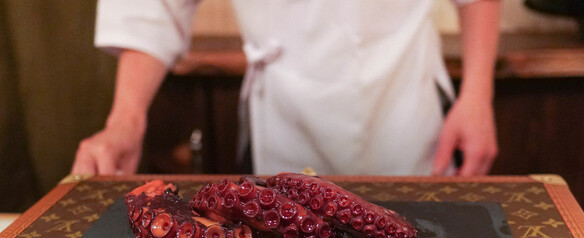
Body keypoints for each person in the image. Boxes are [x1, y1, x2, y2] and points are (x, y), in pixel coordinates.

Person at [71, 0, 500, 177]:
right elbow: (150, 9)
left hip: (404, 99)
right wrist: (125, 120)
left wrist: (478, 95)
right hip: (282, 115)